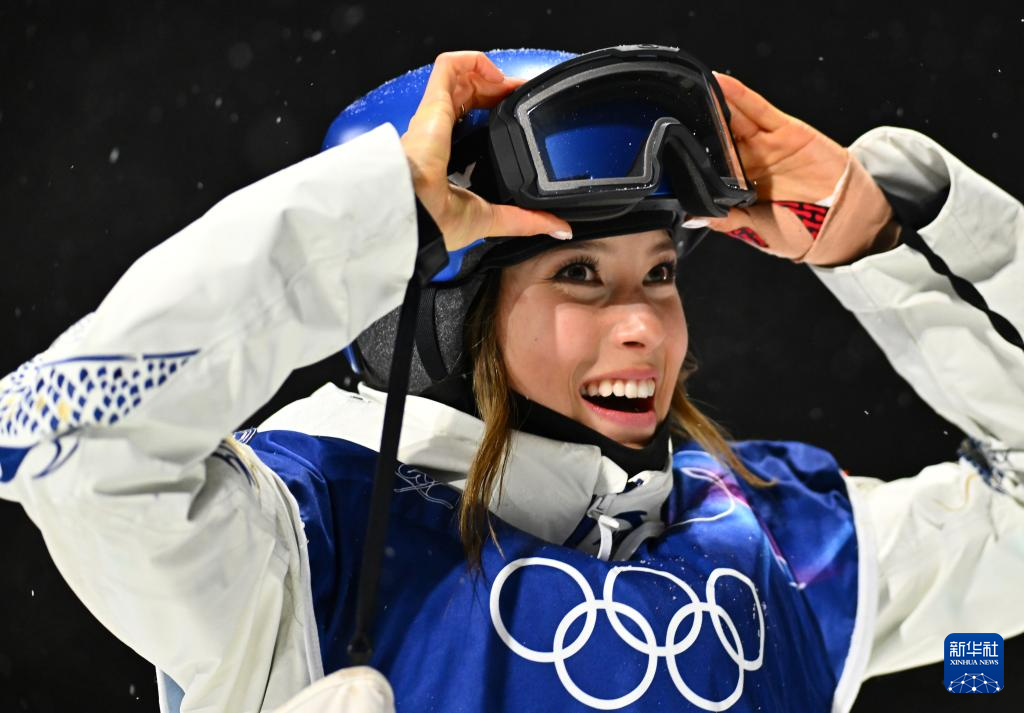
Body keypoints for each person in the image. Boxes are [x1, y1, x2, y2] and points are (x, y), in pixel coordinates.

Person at [0, 47, 1021, 713]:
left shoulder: (778, 542)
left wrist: (893, 244)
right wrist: (373, 218)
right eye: (579, 275)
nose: (643, 326)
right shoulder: (296, 539)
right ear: (436, 315)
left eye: (660, 274)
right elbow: (63, 436)